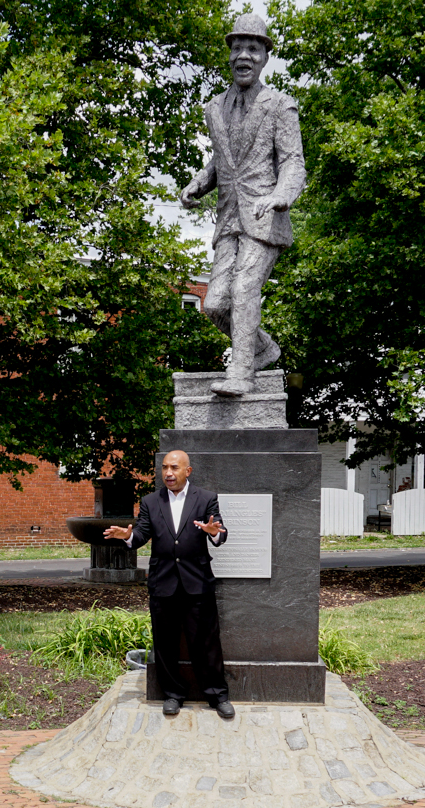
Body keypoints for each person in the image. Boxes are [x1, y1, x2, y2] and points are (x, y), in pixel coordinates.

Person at [179, 13, 306, 398]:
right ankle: (262, 347)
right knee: (216, 305)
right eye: (237, 48)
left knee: (245, 289)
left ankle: (241, 373)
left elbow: (293, 163)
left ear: (265, 56)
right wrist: (198, 185)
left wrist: (281, 195)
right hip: (229, 218)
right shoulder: (214, 108)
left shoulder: (280, 105)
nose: (243, 56)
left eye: (252, 48)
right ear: (229, 55)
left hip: (265, 217)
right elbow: (223, 160)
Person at [102, 450, 232, 718]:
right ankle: (173, 694)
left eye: (174, 467)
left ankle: (217, 696)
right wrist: (128, 536)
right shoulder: (151, 501)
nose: (168, 473)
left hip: (197, 583)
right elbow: (141, 534)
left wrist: (214, 533)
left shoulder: (206, 498)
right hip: (163, 583)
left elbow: (219, 531)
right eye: (164, 468)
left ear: (188, 471)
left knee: (206, 643)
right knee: (165, 643)